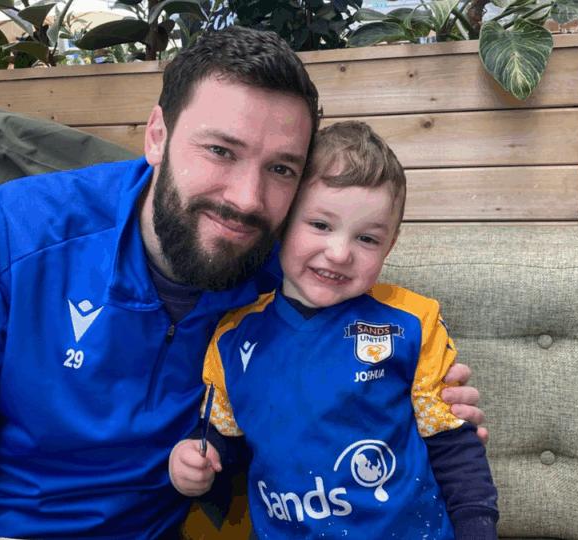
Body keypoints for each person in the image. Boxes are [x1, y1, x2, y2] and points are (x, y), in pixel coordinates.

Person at [0, 27, 484, 539]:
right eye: (221, 151)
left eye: (281, 168)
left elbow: (364, 370)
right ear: (157, 136)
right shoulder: (11, 235)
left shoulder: (287, 277)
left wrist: (429, 413)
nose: (246, 198)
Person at [169, 122, 498, 539]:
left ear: (390, 245)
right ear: (283, 222)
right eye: (321, 225)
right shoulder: (233, 338)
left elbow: (453, 447)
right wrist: (197, 460)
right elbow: (224, 442)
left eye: (366, 238)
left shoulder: (413, 322)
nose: (340, 253)